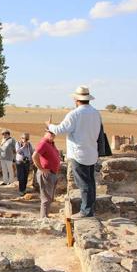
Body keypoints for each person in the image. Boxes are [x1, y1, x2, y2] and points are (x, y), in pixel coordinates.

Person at [47, 85, 101, 219]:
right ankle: (90, 209)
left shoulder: (75, 114)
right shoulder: (96, 113)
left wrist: (49, 126)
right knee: (90, 183)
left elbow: (60, 130)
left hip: (78, 153)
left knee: (83, 184)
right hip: (91, 152)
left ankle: (86, 211)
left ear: (76, 100)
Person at [32, 130, 61, 218]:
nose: (53, 135)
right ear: (45, 133)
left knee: (49, 198)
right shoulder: (43, 143)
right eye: (50, 133)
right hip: (46, 174)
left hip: (52, 173)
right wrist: (41, 168)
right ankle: (43, 218)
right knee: (46, 198)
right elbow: (34, 156)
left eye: (54, 134)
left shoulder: (51, 143)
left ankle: (45, 216)